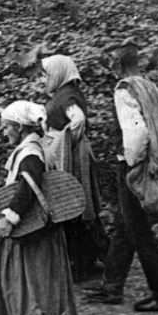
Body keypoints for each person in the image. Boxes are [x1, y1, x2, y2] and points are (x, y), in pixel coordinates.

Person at [85, 41, 158, 311]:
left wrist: (134, 160)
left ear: (117, 64)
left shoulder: (124, 89)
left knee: (139, 232)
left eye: (109, 62)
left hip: (133, 167)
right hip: (144, 163)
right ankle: (111, 287)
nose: (108, 67)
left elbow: (136, 132)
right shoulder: (147, 85)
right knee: (126, 226)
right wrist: (156, 144)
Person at [0, 100, 80, 315]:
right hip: (37, 231)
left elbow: (29, 187)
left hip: (33, 233)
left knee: (32, 285)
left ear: (19, 127)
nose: (4, 133)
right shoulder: (33, 148)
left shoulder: (30, 154)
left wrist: (10, 218)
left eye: (6, 127)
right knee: (32, 283)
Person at [39, 54, 108, 283]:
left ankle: (84, 264)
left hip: (72, 158)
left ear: (60, 72)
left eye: (48, 73)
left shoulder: (68, 96)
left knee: (74, 207)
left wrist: (62, 141)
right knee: (74, 207)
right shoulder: (64, 93)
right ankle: (88, 260)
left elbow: (77, 121)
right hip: (68, 155)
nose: (45, 78)